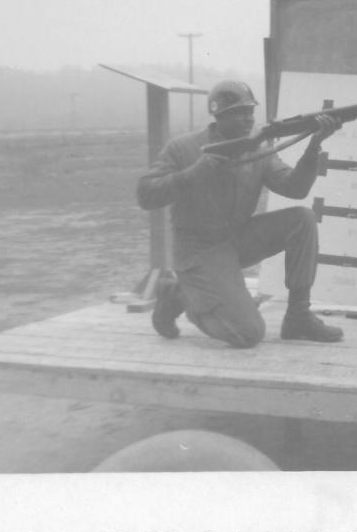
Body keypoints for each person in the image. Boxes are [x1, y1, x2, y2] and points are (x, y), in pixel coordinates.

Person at [137, 79, 344, 347]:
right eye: (239, 112)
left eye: (250, 111)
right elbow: (146, 195)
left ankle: (298, 317)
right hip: (198, 251)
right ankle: (180, 295)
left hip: (237, 240)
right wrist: (194, 173)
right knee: (248, 334)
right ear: (219, 116)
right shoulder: (183, 148)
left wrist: (314, 146)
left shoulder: (257, 147)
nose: (248, 119)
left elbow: (295, 188)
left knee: (302, 219)